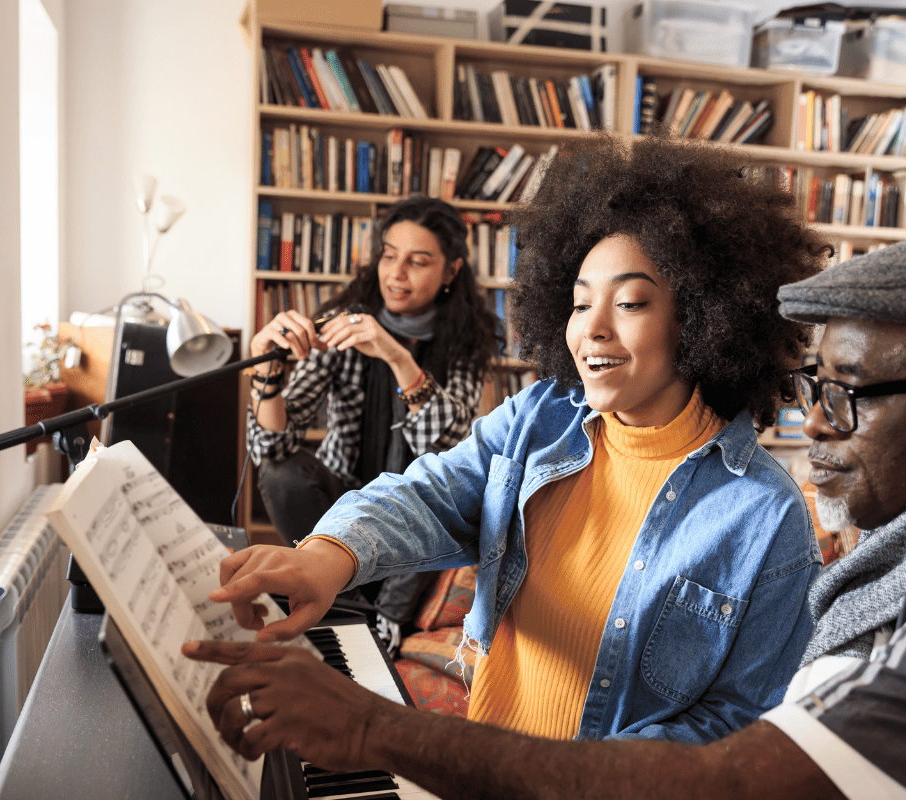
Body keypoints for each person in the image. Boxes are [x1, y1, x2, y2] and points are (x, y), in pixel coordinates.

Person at [186, 229, 906, 798]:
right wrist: (330, 548)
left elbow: (743, 774)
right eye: (813, 386)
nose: (818, 427)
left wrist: (375, 733)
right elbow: (440, 489)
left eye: (849, 393)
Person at [210, 135, 828, 744]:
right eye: (580, 304)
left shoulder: (766, 516)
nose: (594, 331)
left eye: (631, 303)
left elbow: (742, 726)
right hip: (483, 768)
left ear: (702, 318)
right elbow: (432, 492)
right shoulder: (542, 415)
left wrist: (539, 777)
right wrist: (325, 557)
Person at [246, 196, 500, 634]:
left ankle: (378, 615)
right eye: (388, 256)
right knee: (280, 472)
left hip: (419, 509)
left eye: (418, 261)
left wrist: (397, 356)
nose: (396, 274)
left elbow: (446, 446)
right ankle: (352, 609)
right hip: (341, 498)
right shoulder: (341, 324)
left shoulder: (466, 341)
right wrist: (265, 373)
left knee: (439, 500)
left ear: (451, 270)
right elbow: (271, 445)